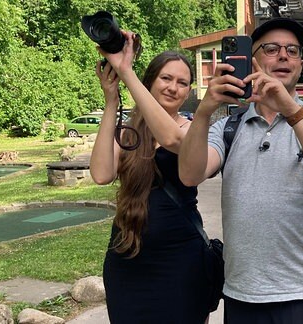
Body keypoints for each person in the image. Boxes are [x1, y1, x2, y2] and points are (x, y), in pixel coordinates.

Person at [178, 18, 303, 324]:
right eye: (272, 49)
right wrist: (205, 110)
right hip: (243, 294)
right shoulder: (229, 126)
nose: (284, 55)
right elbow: (190, 175)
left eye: (293, 50)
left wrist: (291, 110)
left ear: (300, 64)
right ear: (252, 59)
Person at [89, 31, 211, 323]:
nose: (173, 88)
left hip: (181, 262)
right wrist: (110, 103)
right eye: (166, 78)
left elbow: (170, 139)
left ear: (189, 91)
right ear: (151, 82)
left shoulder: (190, 130)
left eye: (182, 83)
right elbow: (101, 173)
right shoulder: (130, 132)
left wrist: (125, 70)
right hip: (127, 258)